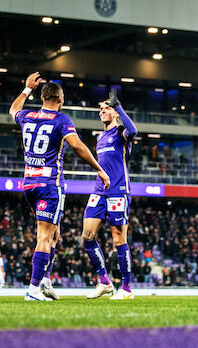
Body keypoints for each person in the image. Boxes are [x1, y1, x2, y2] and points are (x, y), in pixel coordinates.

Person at [9, 73, 110, 302]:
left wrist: (26, 90)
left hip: (29, 183)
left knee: (53, 234)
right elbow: (78, 147)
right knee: (45, 236)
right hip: (50, 184)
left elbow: (13, 111)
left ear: (43, 96)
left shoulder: (27, 115)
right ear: (60, 98)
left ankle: (44, 281)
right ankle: (33, 290)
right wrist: (98, 168)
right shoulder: (61, 120)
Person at [83, 89, 138, 300]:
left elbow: (133, 131)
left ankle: (126, 289)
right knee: (87, 236)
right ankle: (104, 282)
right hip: (99, 191)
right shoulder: (99, 138)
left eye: (106, 108)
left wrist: (118, 107)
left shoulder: (121, 133)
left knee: (118, 239)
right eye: (101, 109)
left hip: (118, 192)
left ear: (114, 112)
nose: (102, 112)